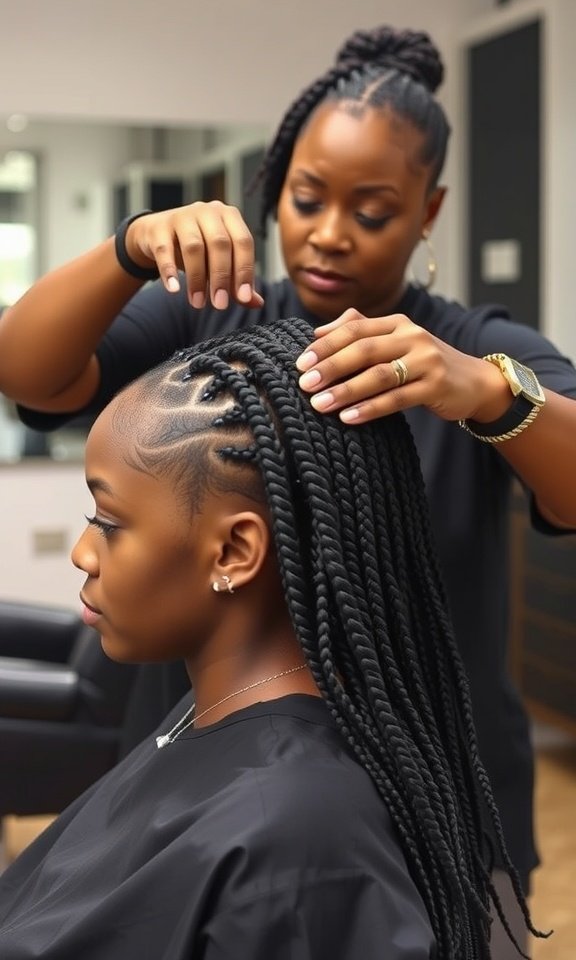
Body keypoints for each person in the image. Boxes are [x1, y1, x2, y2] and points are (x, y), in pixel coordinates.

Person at [0, 24, 574, 956]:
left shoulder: (467, 345)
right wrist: (127, 252)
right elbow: (28, 372)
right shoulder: (214, 316)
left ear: (430, 212)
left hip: (433, 783)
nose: (329, 232)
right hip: (213, 766)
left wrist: (484, 386)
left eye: (374, 211)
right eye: (305, 199)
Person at [0, 318, 537, 959]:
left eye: (107, 521)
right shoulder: (213, 715)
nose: (84, 553)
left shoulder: (294, 840)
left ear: (234, 550)